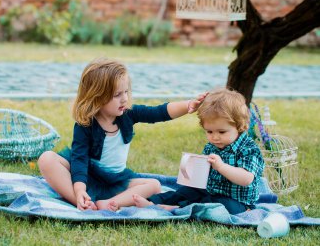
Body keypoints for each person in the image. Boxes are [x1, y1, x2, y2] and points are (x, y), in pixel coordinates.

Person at [38, 58, 207, 211]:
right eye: (117, 95)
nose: (125, 99)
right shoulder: (85, 124)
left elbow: (159, 112)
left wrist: (188, 105)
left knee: (154, 185)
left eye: (126, 92)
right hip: (87, 176)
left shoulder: (128, 114)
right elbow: (79, 158)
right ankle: (81, 201)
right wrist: (80, 189)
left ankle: (111, 203)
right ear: (97, 98)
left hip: (116, 182)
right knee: (47, 159)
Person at [133, 88, 265, 215]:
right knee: (184, 191)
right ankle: (152, 202)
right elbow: (201, 177)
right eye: (209, 131)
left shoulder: (249, 149)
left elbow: (246, 179)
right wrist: (191, 170)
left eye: (221, 132)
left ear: (240, 126)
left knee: (218, 205)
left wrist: (221, 167)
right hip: (210, 190)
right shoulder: (211, 147)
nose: (215, 137)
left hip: (238, 201)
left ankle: (177, 208)